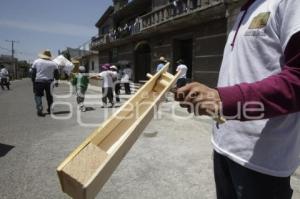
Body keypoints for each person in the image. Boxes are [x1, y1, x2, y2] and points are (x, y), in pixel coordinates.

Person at [175, 0, 300, 198]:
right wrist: (208, 97)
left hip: (263, 162)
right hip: (223, 147)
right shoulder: (243, 11)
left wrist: (223, 99)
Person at [31, 49, 59, 116]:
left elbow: (33, 73)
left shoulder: (36, 62)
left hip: (39, 81)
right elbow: (57, 75)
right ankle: (50, 109)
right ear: (49, 56)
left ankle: (39, 109)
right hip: (50, 82)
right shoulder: (54, 63)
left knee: (38, 96)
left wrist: (33, 82)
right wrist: (57, 82)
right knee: (50, 96)